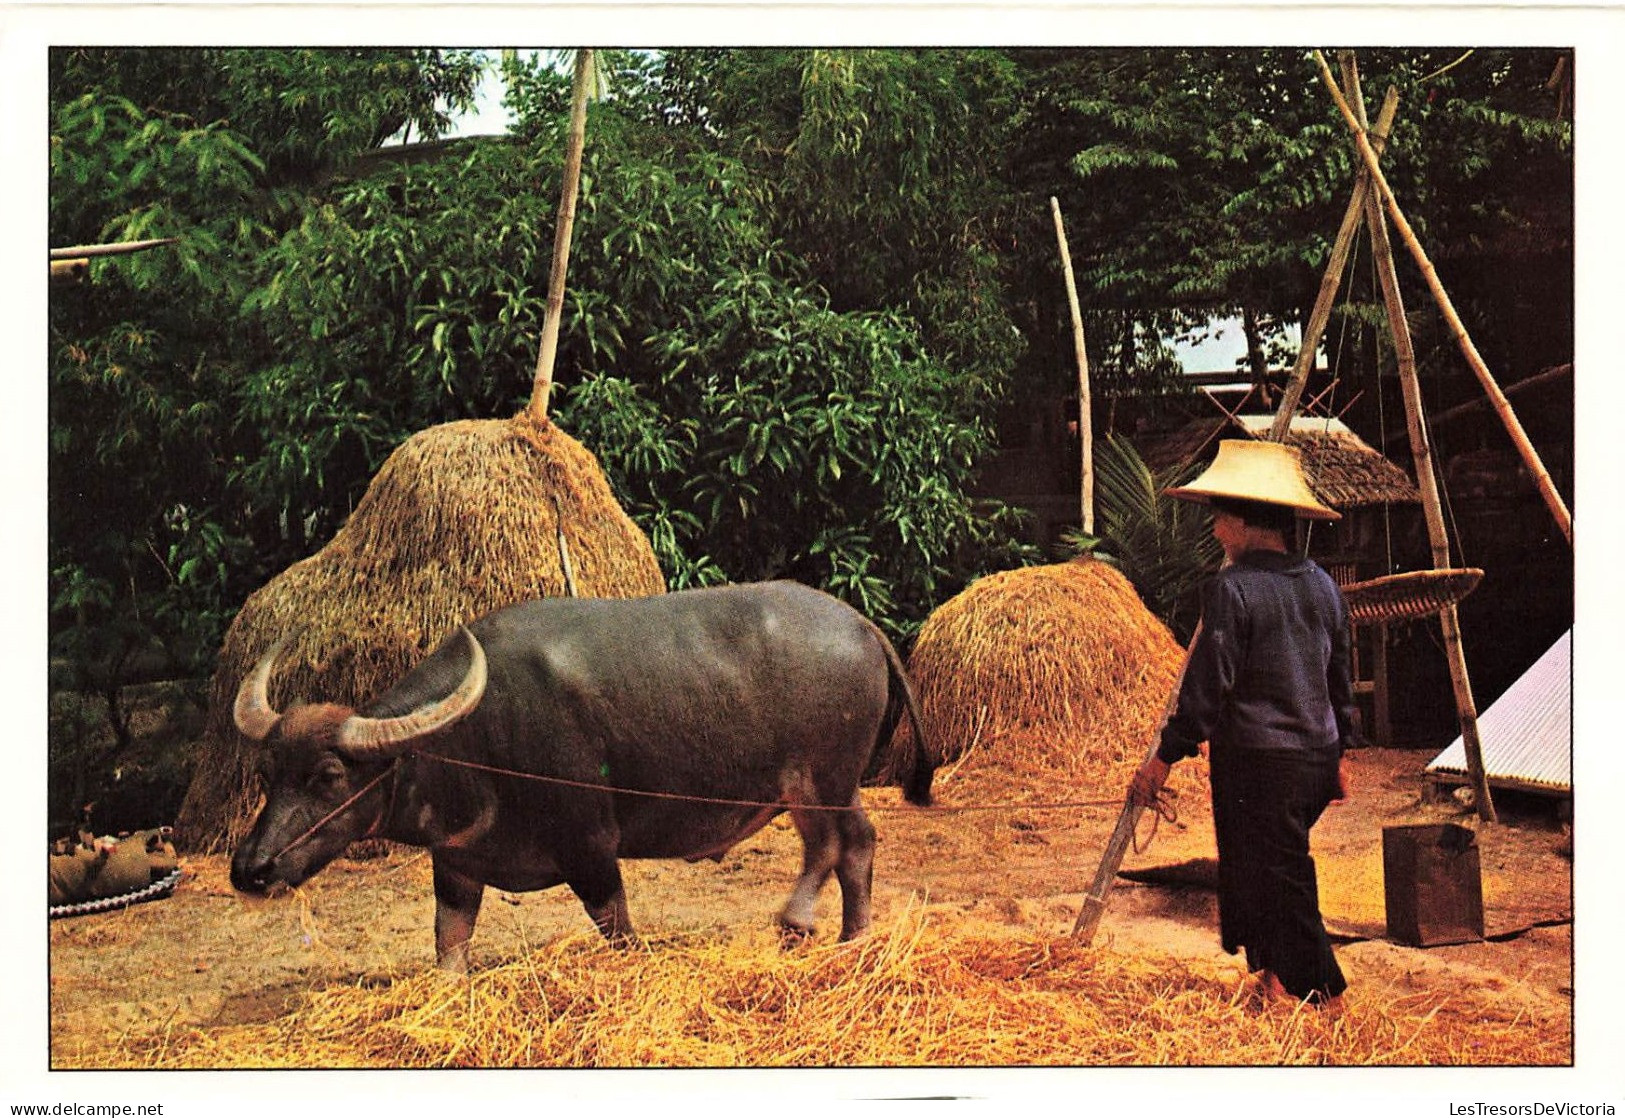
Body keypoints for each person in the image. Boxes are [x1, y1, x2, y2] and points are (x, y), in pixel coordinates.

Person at [1128, 439, 1356, 1012]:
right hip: (1314, 757)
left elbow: (1207, 691)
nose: (1214, 531)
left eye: (1218, 517)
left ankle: (1325, 993)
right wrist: (1342, 755)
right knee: (1260, 870)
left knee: (1281, 877)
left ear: (1244, 520)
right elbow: (1341, 680)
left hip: (1263, 762)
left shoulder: (1232, 589)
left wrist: (1162, 758)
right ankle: (1275, 981)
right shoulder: (1323, 585)